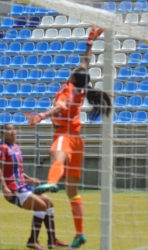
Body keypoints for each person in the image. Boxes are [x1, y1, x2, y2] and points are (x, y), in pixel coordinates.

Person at [27, 25, 112, 248]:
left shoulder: (68, 91)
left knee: (57, 159)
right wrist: (90, 42)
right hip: (78, 140)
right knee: (73, 192)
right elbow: (85, 62)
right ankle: (80, 233)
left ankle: (50, 183)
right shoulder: (81, 87)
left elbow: (57, 109)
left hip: (64, 134)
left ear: (73, 77)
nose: (74, 69)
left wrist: (41, 115)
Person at [0, 124, 68, 250]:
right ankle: (32, 241)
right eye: (8, 129)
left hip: (24, 185)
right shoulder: (2, 148)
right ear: (2, 134)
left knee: (49, 203)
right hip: (14, 188)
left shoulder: (16, 147)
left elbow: (16, 170)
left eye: (14, 128)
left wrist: (30, 179)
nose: (12, 131)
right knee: (41, 206)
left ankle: (52, 241)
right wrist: (4, 187)